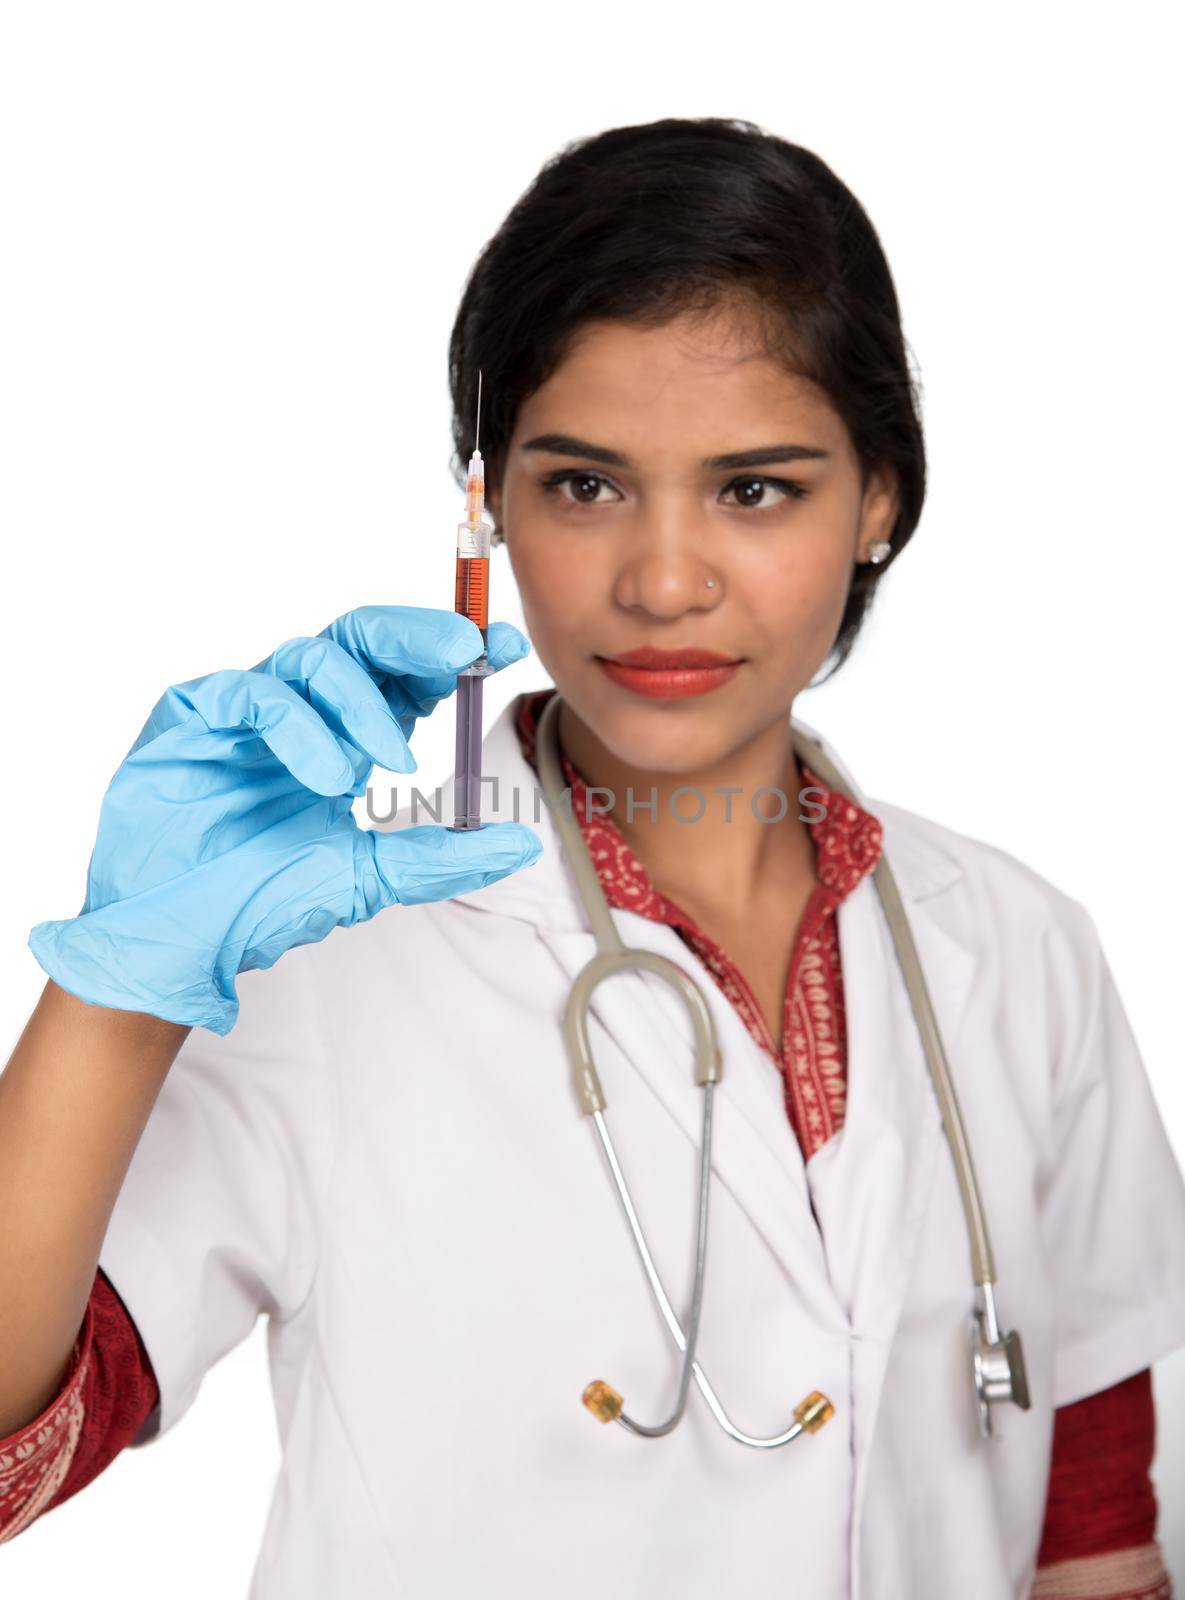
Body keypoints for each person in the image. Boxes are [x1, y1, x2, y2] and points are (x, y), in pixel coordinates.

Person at [2, 116, 1183, 1600]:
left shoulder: (1018, 945)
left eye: (755, 489)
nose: (664, 581)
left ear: (879, 500)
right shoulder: (314, 948)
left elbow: (1088, 1506)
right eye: (584, 485)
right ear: (486, 501)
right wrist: (117, 991)